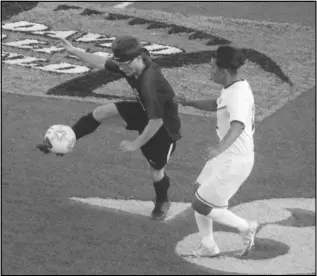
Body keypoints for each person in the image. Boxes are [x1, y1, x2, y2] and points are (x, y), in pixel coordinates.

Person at [37, 36, 182, 220]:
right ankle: (66, 141)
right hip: (144, 111)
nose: (121, 69)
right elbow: (104, 63)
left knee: (156, 171)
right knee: (100, 112)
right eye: (120, 64)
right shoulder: (131, 64)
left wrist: (135, 144)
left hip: (163, 129)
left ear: (137, 58)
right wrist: (75, 51)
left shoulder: (149, 83)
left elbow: (156, 121)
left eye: (124, 65)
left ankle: (163, 200)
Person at [175, 45, 259, 257]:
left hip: (234, 159)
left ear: (224, 70)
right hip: (228, 155)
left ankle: (245, 227)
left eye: (212, 67)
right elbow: (217, 104)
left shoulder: (237, 94)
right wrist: (190, 102)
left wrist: (218, 148)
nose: (209, 71)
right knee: (199, 191)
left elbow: (238, 125)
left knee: (201, 204)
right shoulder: (233, 87)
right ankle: (209, 246)